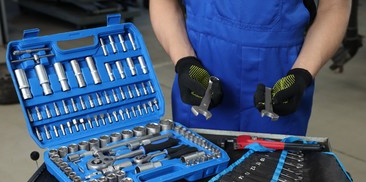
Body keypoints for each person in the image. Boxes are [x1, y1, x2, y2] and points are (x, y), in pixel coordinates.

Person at [149, 0, 351, 136]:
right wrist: (184, 61)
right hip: (202, 70)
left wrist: (303, 73)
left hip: (279, 75)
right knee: (196, 172)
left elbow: (335, 6)